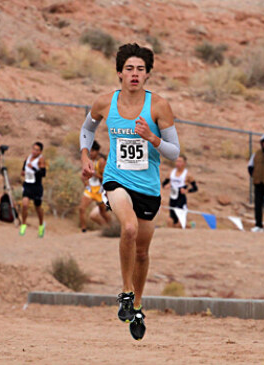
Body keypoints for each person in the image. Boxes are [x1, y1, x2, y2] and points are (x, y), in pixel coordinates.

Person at [80, 43, 180, 340]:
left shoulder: (159, 106)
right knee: (128, 227)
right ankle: (125, 292)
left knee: (142, 252)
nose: (134, 74)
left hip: (147, 186)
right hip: (116, 179)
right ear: (119, 73)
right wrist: (85, 156)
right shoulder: (104, 103)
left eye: (140, 69)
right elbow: (87, 129)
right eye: (129, 69)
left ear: (147, 74)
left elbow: (174, 152)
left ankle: (136, 304)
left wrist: (153, 138)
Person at [78, 141, 110, 232]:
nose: (91, 153)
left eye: (92, 151)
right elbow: (83, 175)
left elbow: (105, 177)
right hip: (90, 189)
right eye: (89, 151)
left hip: (99, 190)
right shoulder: (88, 161)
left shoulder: (101, 162)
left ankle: (112, 227)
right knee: (81, 208)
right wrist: (84, 181)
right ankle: (83, 229)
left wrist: (96, 175)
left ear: (97, 151)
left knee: (103, 212)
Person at [162, 155, 198, 228]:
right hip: (172, 199)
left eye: (180, 161)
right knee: (170, 222)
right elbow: (164, 184)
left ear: (184, 163)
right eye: (177, 161)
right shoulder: (171, 173)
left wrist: (187, 190)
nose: (178, 163)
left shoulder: (188, 175)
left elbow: (195, 188)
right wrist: (166, 186)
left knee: (179, 225)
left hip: (181, 200)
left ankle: (190, 225)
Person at [20, 142, 46, 238]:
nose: (34, 151)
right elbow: (24, 167)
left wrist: (34, 169)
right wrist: (23, 172)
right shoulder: (28, 158)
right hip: (27, 184)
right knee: (25, 205)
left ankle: (41, 225)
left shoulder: (41, 160)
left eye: (37, 150)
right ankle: (23, 224)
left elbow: (43, 174)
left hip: (36, 186)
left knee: (37, 207)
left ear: (40, 151)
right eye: (33, 149)